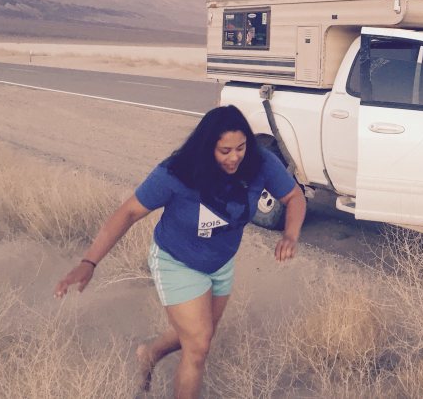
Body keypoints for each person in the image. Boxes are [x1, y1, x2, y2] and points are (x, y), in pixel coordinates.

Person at [54, 105, 306, 398]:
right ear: (206, 147)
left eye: (240, 147)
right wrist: (89, 262)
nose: (235, 157)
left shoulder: (260, 163)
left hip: (221, 264)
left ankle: (149, 353)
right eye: (224, 151)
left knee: (199, 334)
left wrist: (290, 234)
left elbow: (293, 196)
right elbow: (129, 212)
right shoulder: (177, 172)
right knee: (198, 346)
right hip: (177, 261)